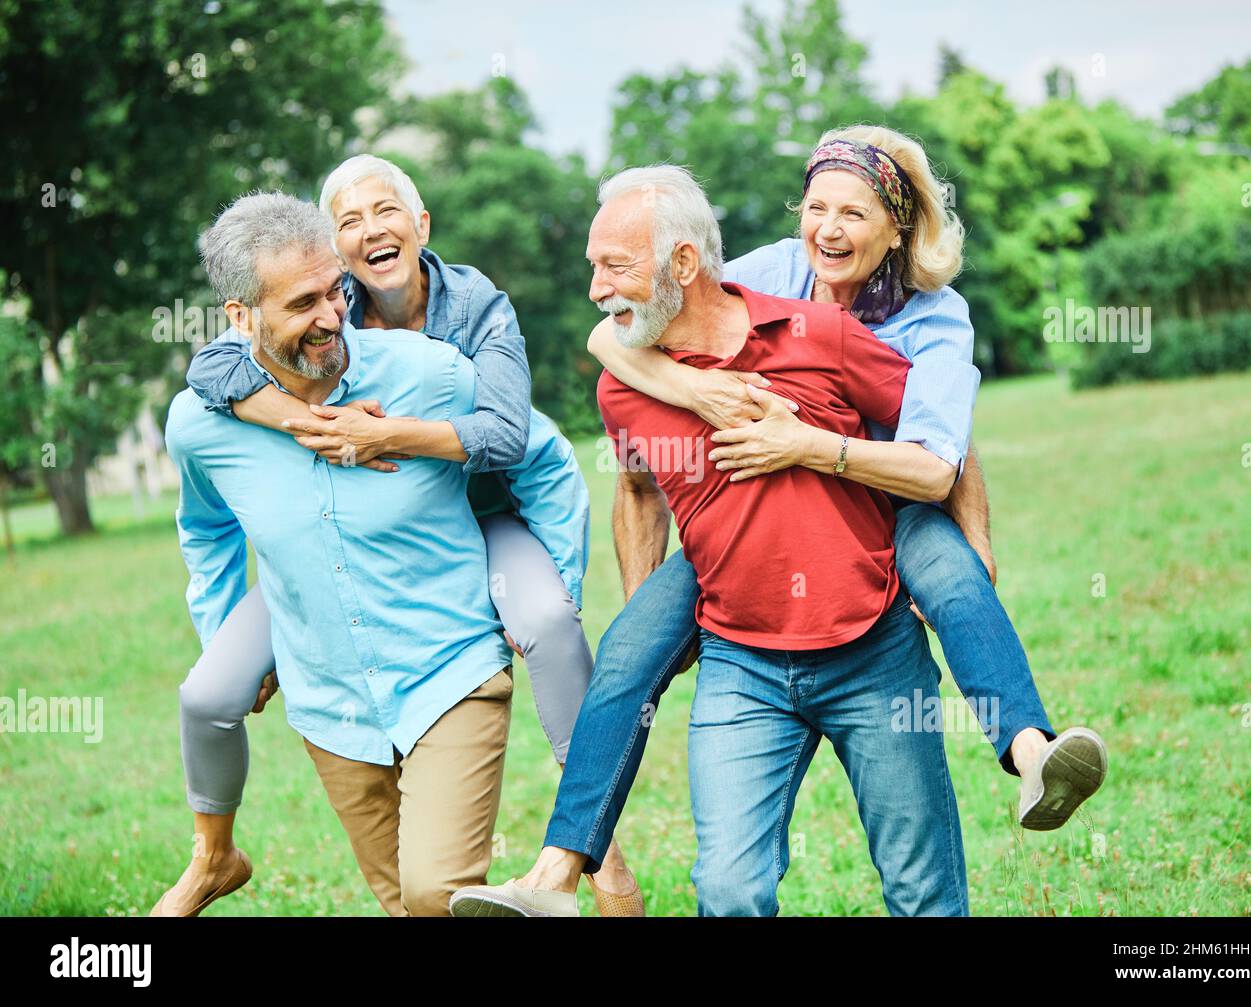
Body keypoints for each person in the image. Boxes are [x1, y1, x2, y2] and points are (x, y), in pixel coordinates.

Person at [454, 127, 1106, 916]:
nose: (828, 229)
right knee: (629, 645)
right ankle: (557, 874)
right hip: (750, 573)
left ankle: (1033, 750)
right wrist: (696, 393)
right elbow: (635, 350)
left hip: (891, 498)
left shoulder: (927, 320)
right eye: (817, 207)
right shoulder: (770, 273)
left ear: (896, 227)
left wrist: (970, 535)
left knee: (955, 578)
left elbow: (946, 456)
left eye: (854, 214)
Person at [165, 191, 519, 915]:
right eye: (302, 303)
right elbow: (205, 530)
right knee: (403, 904)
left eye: (336, 290)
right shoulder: (199, 427)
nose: (332, 316)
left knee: (432, 893)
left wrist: (543, 594)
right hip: (329, 702)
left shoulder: (431, 373)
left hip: (449, 671)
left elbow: (531, 454)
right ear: (240, 318)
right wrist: (229, 634)